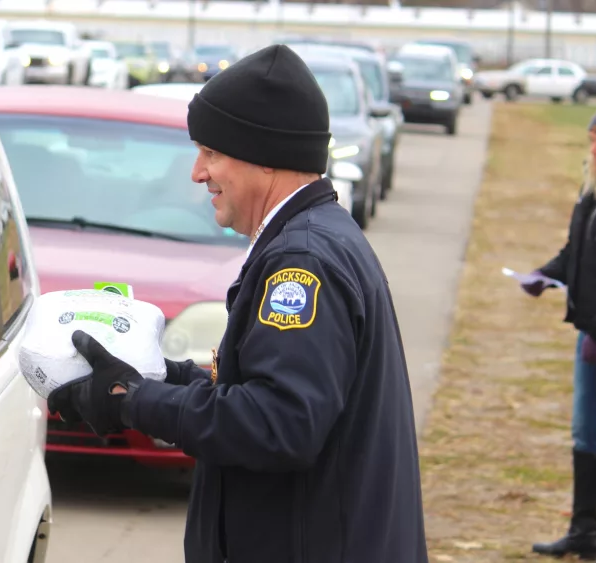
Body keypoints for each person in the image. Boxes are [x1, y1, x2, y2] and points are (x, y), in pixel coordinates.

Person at [48, 44, 428, 562]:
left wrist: (132, 400)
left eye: (211, 152)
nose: (197, 173)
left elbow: (281, 424)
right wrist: (157, 375)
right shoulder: (313, 237)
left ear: (263, 156)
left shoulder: (302, 263)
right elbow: (268, 392)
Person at [525, 112, 596, 560]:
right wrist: (543, 276)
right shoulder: (589, 192)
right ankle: (584, 531)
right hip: (588, 337)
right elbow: (576, 251)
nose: (593, 151)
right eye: (591, 141)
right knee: (585, 435)